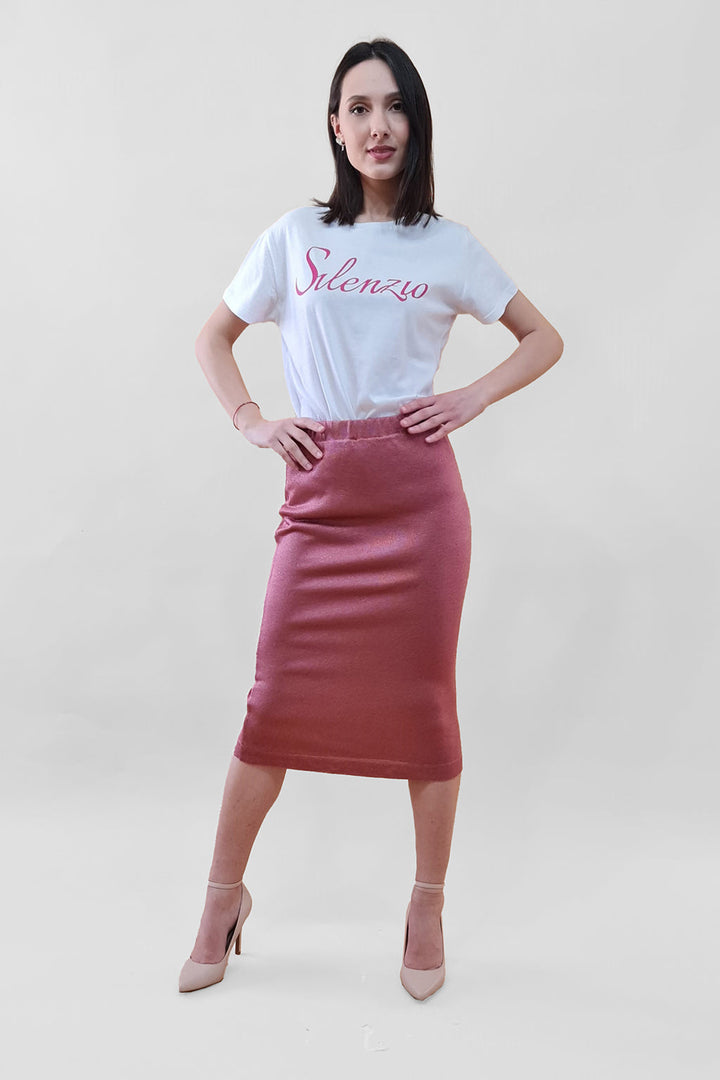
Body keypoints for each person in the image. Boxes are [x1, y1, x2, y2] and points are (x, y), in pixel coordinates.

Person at [179, 37, 563, 1001]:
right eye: (357, 107)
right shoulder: (296, 237)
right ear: (335, 126)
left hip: (419, 504)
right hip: (319, 501)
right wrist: (252, 420)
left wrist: (471, 398)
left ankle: (426, 904)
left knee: (425, 713)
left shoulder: (446, 245)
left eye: (394, 107)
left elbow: (543, 338)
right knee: (270, 710)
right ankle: (222, 898)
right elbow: (213, 336)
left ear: (414, 122)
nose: (377, 124)